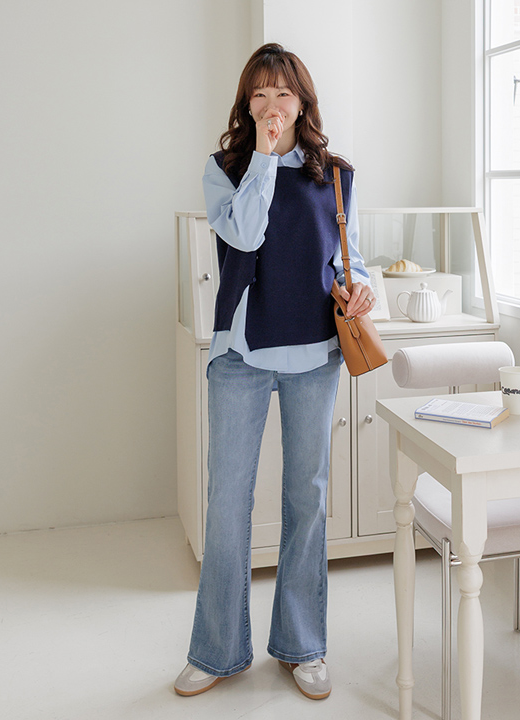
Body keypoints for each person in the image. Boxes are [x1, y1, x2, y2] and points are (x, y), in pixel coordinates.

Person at [174, 43, 375, 701]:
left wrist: (362, 286)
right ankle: (217, 650)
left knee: (306, 498)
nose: (271, 105)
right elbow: (244, 235)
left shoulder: (336, 174)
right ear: (246, 103)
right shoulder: (225, 169)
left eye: (282, 93)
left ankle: (303, 644)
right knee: (228, 503)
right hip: (240, 355)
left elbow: (348, 255)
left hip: (315, 355)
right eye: (258, 94)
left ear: (302, 101)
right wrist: (263, 157)